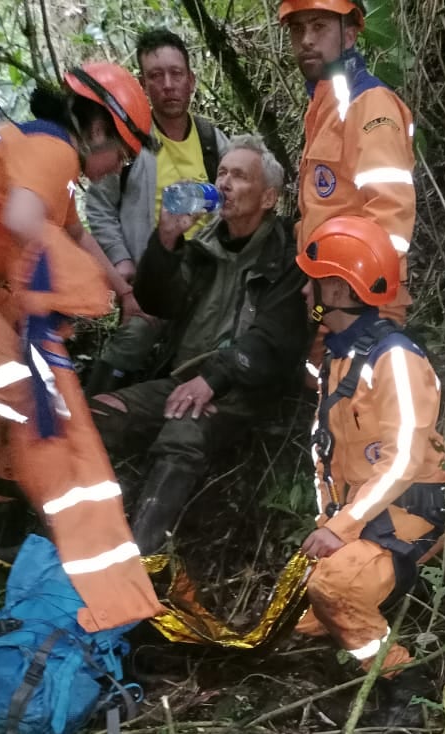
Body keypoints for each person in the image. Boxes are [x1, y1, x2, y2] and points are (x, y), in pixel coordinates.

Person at [0, 62, 162, 630]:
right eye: (121, 153)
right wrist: (68, 293)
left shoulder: (49, 158)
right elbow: (23, 218)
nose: (117, 167)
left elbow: (73, 232)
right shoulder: (53, 150)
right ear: (97, 129)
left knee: (22, 421)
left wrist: (124, 295)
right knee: (25, 404)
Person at [89, 135, 309, 556]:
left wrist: (215, 377)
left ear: (268, 197)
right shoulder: (205, 244)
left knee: (183, 429)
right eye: (221, 172)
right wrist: (167, 241)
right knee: (95, 416)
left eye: (239, 176)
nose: (224, 183)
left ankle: (139, 560)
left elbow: (274, 338)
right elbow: (158, 301)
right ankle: (67, 537)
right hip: (181, 378)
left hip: (241, 387)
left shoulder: (287, 255)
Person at [294, 215, 445, 728]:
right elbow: (327, 455)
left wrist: (340, 530)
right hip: (368, 512)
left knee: (334, 588)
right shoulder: (338, 360)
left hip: (413, 515)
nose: (305, 289)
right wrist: (330, 525)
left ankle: (403, 679)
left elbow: (405, 461)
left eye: (313, 278)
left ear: (338, 289)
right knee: (309, 589)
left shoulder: (395, 360)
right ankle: (347, 620)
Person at [85, 29, 228, 393]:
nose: (168, 85)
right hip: (152, 274)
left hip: (210, 275)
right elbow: (99, 208)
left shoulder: (213, 141)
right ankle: (95, 412)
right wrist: (122, 268)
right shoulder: (130, 142)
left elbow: (240, 198)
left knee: (210, 354)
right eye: (155, 76)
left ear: (191, 80)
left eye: (176, 74)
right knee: (132, 342)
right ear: (142, 85)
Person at [278, 0, 416, 330]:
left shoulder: (369, 104)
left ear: (350, 36)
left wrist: (347, 293)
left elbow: (391, 217)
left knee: (359, 382)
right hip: (327, 297)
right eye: (298, 29)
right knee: (323, 381)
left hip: (361, 305)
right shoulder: (324, 106)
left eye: (319, 26)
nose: (306, 39)